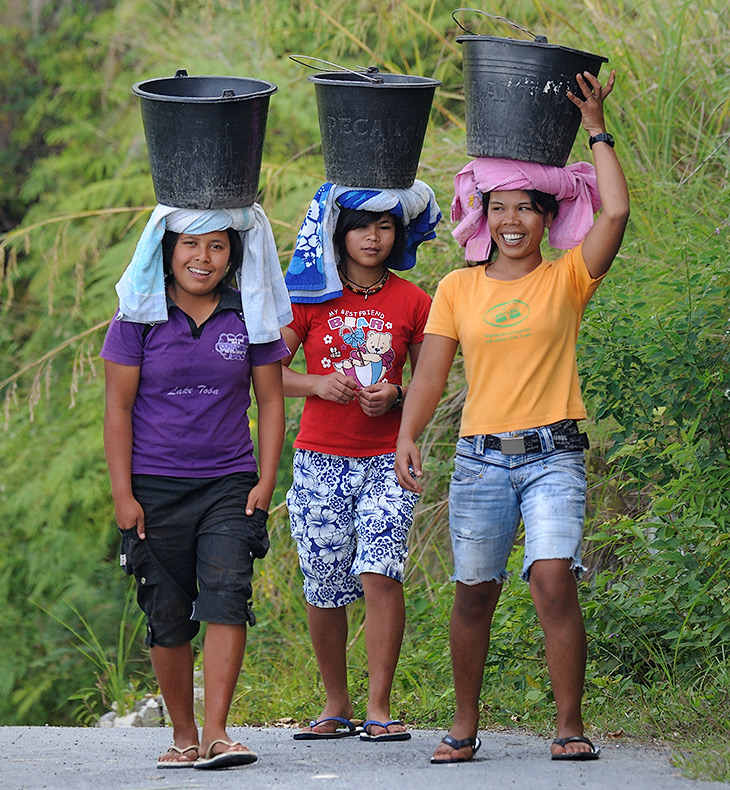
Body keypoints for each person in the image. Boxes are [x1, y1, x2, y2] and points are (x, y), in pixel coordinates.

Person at [394, 70, 629, 763]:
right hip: (480, 461)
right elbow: (432, 374)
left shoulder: (567, 278)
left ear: (548, 218)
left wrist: (597, 128)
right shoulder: (457, 288)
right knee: (474, 593)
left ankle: (569, 724)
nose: (514, 221)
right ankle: (464, 725)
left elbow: (613, 214)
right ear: (483, 216)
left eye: (529, 208)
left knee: (553, 577)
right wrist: (407, 434)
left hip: (554, 453)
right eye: (500, 208)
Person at [101, 205, 291, 769]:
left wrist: (266, 475)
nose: (201, 257)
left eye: (216, 245)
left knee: (227, 598)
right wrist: (122, 494)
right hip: (153, 488)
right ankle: (182, 735)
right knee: (167, 612)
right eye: (189, 244)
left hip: (228, 484)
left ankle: (216, 733)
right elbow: (117, 407)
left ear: (233, 255)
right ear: (167, 250)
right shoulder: (137, 318)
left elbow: (272, 399)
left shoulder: (246, 315)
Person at [282, 182, 440, 741]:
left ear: (398, 235)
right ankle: (335, 704)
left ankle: (379, 707)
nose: (372, 238)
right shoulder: (307, 295)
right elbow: (267, 373)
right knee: (323, 585)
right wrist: (318, 384)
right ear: (338, 232)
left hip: (388, 458)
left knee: (380, 572)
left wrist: (396, 396)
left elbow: (429, 378)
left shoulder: (415, 301)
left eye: (385, 227)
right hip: (319, 460)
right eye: (360, 226)